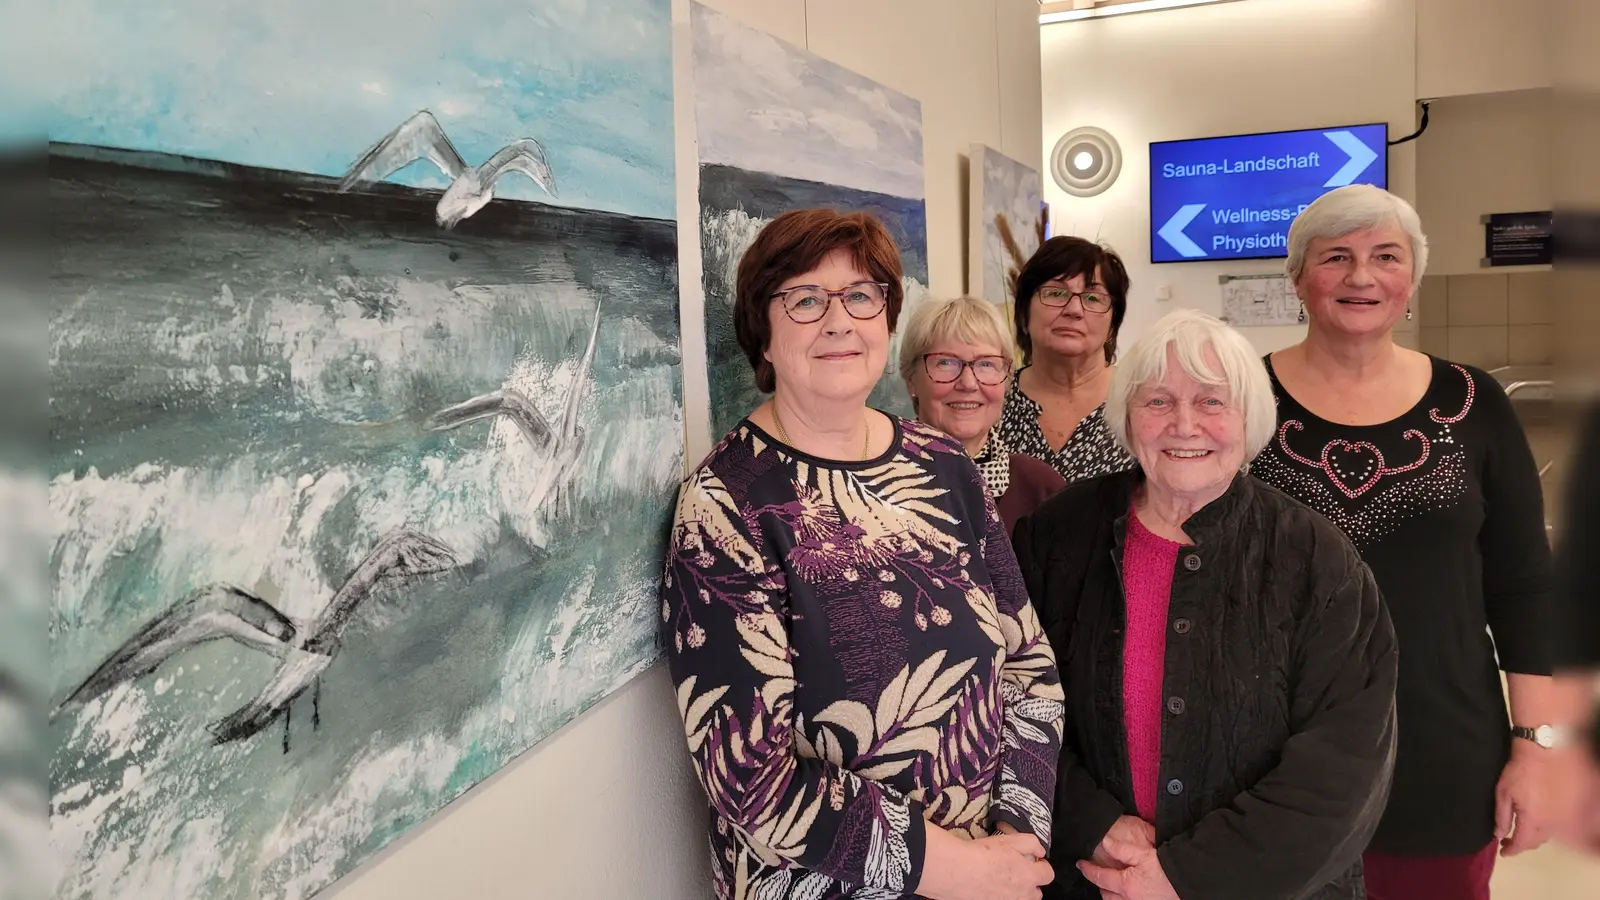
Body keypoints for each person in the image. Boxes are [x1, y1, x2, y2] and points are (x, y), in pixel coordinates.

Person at [660, 208, 1065, 900]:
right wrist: (952, 869)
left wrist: (1018, 840)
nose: (839, 320)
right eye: (806, 299)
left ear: (886, 315)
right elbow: (750, 779)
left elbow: (1029, 665)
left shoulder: (942, 465)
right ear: (763, 331)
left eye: (861, 295)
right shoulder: (726, 504)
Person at [1013, 308, 1399, 900]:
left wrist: (1185, 876)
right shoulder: (1056, 535)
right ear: (1127, 416)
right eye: (1159, 401)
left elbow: (1344, 766)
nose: (1184, 425)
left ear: (1251, 417)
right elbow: (1005, 699)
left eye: (1213, 402)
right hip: (1092, 878)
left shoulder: (1317, 559)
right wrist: (1091, 825)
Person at [1251, 184, 1559, 900]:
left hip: (1443, 740)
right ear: (1298, 278)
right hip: (1272, 747)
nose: (1362, 277)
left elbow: (1525, 584)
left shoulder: (1475, 404)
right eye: (1336, 258)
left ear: (1411, 280)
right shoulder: (1242, 407)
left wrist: (1535, 744)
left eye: (1385, 256)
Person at [899, 295, 1065, 535]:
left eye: (986, 364)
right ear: (912, 380)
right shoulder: (870, 485)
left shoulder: (1041, 487)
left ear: (1006, 380)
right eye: (945, 362)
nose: (968, 383)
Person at [996, 236, 1138, 485]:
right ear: (1023, 314)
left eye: (1093, 298)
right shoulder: (991, 401)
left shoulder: (1140, 400)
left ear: (1112, 326)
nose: (1074, 310)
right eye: (1056, 293)